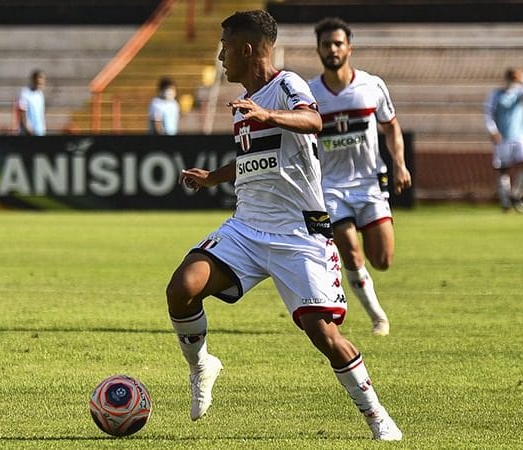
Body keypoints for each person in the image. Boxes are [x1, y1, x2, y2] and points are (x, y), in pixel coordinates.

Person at [169, 10, 402, 441]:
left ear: (247, 49)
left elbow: (314, 121)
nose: (220, 57)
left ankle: (377, 416)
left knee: (324, 335)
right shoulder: (246, 104)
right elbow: (253, 159)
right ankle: (202, 364)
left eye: (224, 48)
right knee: (181, 288)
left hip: (299, 233)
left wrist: (268, 115)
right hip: (247, 228)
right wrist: (212, 178)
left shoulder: (287, 85)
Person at [306, 17, 412, 337]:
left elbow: (391, 126)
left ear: (349, 47)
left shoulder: (371, 85)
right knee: (350, 250)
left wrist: (400, 164)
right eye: (326, 44)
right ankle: (378, 317)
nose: (333, 49)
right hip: (331, 187)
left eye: (338, 43)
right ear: (319, 50)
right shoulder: (309, 94)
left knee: (382, 259)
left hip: (369, 183)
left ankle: (363, 283)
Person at [484, 68, 523, 213]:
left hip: (521, 136)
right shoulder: (496, 94)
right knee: (503, 169)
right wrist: (493, 130)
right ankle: (505, 201)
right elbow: (488, 113)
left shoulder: (520, 92)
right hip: (503, 138)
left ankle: (516, 195)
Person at [18, 70, 47, 136]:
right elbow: (22, 115)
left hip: (40, 132)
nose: (41, 85)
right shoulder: (25, 93)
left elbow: (40, 115)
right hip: (28, 134)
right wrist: (29, 131)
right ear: (34, 80)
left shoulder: (40, 94)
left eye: (43, 82)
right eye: (39, 83)